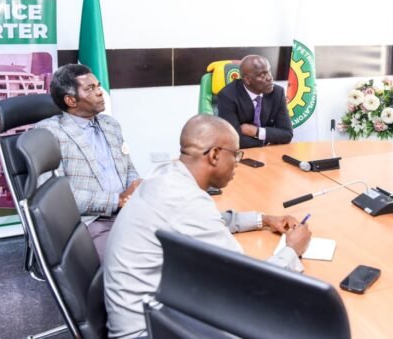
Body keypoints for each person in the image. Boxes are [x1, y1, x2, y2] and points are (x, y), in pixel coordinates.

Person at [104, 115, 310, 338]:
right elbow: (251, 283)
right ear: (214, 155)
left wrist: (264, 219)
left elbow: (207, 219)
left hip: (154, 310)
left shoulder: (166, 174)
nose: (238, 163)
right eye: (236, 155)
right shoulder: (185, 201)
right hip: (150, 331)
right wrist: (292, 250)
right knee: (282, 320)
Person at [35, 64, 139, 259]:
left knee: (174, 244)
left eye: (98, 86)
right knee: (128, 264)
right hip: (90, 222)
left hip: (128, 212)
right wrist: (116, 200)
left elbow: (128, 169)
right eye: (90, 89)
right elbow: (55, 198)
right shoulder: (48, 134)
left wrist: (135, 187)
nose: (100, 93)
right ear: (71, 100)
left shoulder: (111, 125)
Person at [217, 55, 293, 148]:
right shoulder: (228, 96)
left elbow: (287, 134)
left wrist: (256, 131)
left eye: (269, 71)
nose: (269, 78)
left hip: (268, 153)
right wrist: (267, 140)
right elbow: (233, 139)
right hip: (242, 154)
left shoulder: (277, 92)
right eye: (262, 75)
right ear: (247, 80)